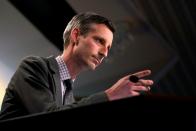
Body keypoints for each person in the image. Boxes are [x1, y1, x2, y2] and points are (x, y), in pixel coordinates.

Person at [0, 12, 153, 120]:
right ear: (75, 36)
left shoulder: (71, 99)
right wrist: (110, 95)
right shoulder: (34, 66)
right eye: (100, 41)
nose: (104, 54)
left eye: (108, 48)